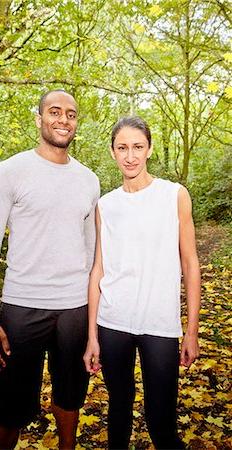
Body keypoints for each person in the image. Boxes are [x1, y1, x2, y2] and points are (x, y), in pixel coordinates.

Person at [0, 89, 100, 450]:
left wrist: (93, 320)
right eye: (55, 112)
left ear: (77, 122)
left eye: (71, 114)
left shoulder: (88, 180)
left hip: (75, 308)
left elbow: (93, 255)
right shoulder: (9, 172)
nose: (64, 119)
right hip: (22, 306)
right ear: (39, 118)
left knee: (71, 396)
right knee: (7, 408)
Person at [83, 116, 201, 450]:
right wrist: (92, 336)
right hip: (112, 322)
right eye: (122, 148)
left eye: (137, 147)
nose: (130, 156)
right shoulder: (105, 205)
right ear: (112, 152)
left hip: (160, 325)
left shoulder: (174, 195)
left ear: (149, 149)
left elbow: (190, 263)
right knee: (118, 412)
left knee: (161, 421)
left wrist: (191, 330)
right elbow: (99, 271)